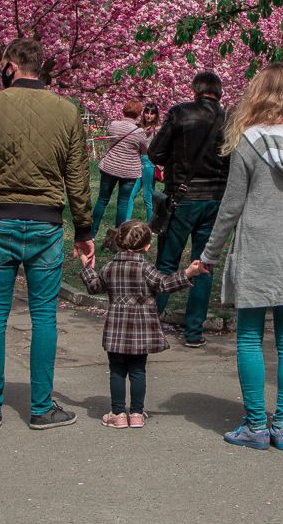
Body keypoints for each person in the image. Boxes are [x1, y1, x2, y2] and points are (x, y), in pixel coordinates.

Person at [0, 38, 94, 430]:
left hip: (0, 221)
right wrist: (84, 229)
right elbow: (78, 177)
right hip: (47, 224)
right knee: (44, 316)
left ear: (11, 66)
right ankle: (41, 406)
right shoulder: (66, 112)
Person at [199, 63, 283, 451]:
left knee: (249, 338)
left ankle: (256, 425)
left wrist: (209, 254)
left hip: (257, 251)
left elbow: (231, 207)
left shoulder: (248, 141)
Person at [79, 220, 204, 429]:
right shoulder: (146, 268)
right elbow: (164, 284)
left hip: (116, 331)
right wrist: (188, 273)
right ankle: (136, 413)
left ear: (119, 242)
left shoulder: (110, 267)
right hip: (141, 331)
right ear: (147, 246)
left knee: (117, 370)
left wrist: (87, 267)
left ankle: (118, 413)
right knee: (138, 370)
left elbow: (94, 287)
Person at [148, 72, 228, 348]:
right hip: (215, 200)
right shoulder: (230, 121)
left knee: (167, 263)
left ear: (195, 90)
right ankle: (194, 331)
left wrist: (176, 161)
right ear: (219, 93)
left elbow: (155, 153)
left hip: (182, 199)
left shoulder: (180, 114)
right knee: (204, 264)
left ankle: (150, 321)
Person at [91, 99, 149, 237]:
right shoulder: (139, 132)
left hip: (110, 167)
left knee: (102, 200)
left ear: (124, 110)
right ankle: (119, 236)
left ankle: (92, 233)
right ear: (138, 113)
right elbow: (145, 151)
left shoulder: (114, 125)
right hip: (129, 171)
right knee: (123, 203)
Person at [124, 103, 160, 220]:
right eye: (147, 112)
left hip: (149, 164)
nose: (149, 116)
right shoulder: (137, 127)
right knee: (130, 194)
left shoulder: (157, 129)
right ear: (143, 113)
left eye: (152, 113)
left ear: (155, 115)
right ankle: (126, 222)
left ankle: (151, 225)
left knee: (147, 197)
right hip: (136, 162)